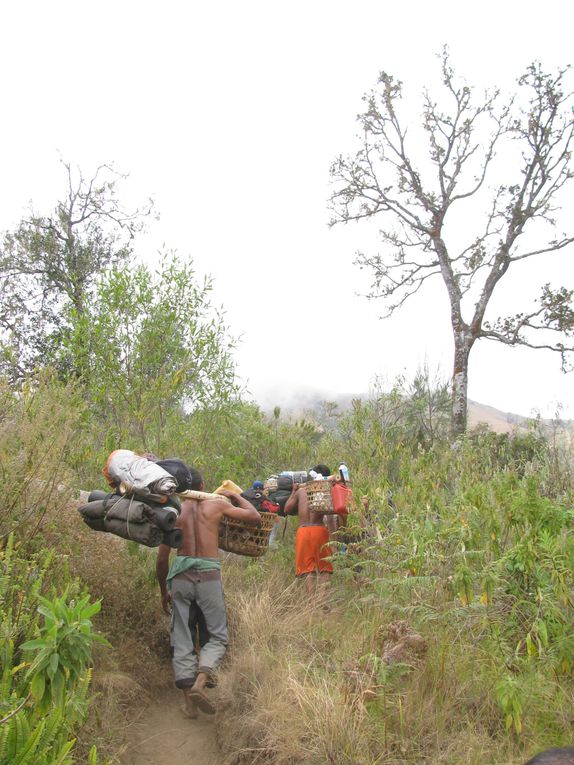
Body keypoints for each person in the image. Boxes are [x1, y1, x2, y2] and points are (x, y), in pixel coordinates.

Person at [156, 467, 261, 718]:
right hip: (209, 577)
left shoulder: (172, 513)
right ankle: (200, 682)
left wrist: (163, 590)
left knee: (181, 636)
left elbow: (161, 560)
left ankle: (189, 705)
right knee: (217, 635)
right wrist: (233, 495)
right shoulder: (216, 505)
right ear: (203, 486)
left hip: (180, 577)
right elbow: (254, 517)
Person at [284, 463, 344, 599]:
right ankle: (322, 601)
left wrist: (294, 491)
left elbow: (286, 509)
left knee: (307, 570)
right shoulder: (325, 489)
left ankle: (311, 603)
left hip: (303, 532)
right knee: (325, 568)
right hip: (319, 530)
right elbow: (332, 513)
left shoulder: (301, 491)